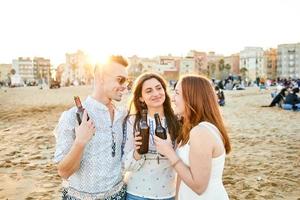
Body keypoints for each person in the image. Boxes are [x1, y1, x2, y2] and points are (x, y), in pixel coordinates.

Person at [53, 55, 129, 200]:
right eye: (120, 79)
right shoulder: (72, 116)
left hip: (119, 195)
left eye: (126, 80)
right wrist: (80, 142)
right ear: (100, 77)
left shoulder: (123, 115)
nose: (125, 86)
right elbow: (64, 172)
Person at [155, 74, 231, 200]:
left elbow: (199, 187)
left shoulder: (201, 132)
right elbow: (183, 174)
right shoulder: (195, 129)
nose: (173, 99)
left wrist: (169, 152)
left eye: (177, 93)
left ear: (191, 97)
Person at [122, 72, 181, 200]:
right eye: (149, 91)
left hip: (168, 193)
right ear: (141, 98)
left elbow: (181, 161)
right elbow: (125, 165)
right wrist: (137, 152)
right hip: (137, 193)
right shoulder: (132, 121)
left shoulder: (177, 121)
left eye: (159, 88)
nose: (156, 93)